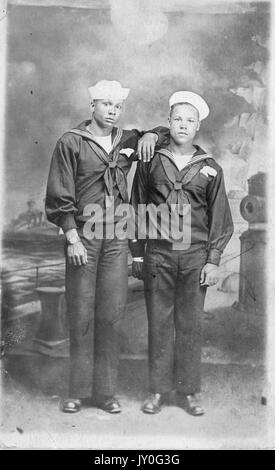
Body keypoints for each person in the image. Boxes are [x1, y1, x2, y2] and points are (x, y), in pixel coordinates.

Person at [45, 80, 167, 414]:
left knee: (111, 315)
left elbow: (167, 133)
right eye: (106, 105)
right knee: (82, 313)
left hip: (117, 238)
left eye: (118, 107)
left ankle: (106, 393)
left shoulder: (127, 139)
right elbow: (59, 195)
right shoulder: (71, 142)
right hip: (84, 235)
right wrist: (71, 236)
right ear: (93, 107)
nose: (112, 112)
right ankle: (77, 391)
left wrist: (152, 135)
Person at [130, 91, 234, 416]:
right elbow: (137, 208)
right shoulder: (151, 162)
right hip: (158, 254)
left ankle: (187, 391)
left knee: (189, 324)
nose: (183, 125)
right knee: (158, 323)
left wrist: (213, 260)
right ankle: (158, 390)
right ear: (169, 123)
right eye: (177, 119)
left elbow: (220, 219)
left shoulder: (211, 169)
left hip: (194, 256)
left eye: (190, 120)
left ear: (198, 126)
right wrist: (136, 253)